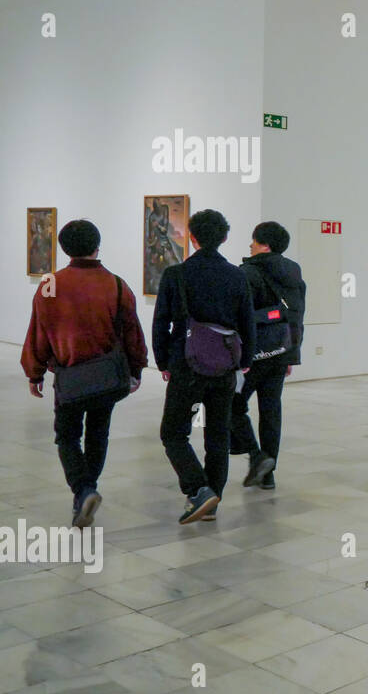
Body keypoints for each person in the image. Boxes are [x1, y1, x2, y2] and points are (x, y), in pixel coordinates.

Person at [21, 220, 148, 527]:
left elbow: (40, 332)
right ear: (97, 246)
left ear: (64, 248)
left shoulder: (50, 284)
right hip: (106, 376)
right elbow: (131, 331)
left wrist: (34, 372)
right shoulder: (115, 284)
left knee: (66, 436)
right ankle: (87, 489)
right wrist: (137, 367)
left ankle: (83, 489)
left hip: (70, 378)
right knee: (98, 433)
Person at [153, 209, 255, 524]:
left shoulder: (176, 275)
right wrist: (246, 361)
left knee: (173, 433)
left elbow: (161, 323)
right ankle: (213, 499)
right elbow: (247, 324)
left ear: (192, 238)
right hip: (225, 365)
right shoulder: (237, 276)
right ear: (224, 238)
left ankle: (198, 489)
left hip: (186, 362)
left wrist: (163, 361)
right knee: (218, 435)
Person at [229, 221, 306, 494]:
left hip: (254, 356)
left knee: (232, 405)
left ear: (264, 245)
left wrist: (242, 357)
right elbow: (296, 315)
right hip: (280, 352)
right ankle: (268, 475)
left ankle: (256, 455)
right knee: (271, 411)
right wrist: (290, 354)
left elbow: (240, 317)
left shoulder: (247, 272)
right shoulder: (293, 272)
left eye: (253, 241)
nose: (250, 245)